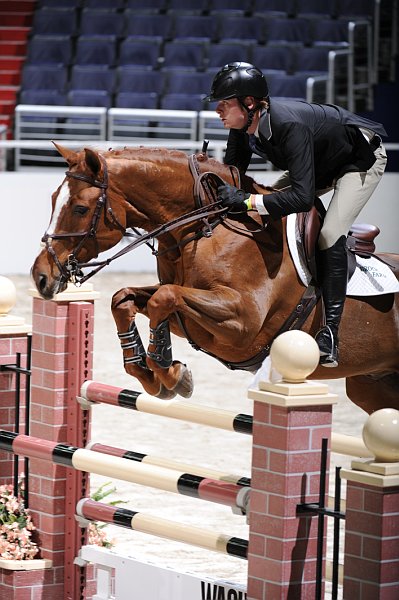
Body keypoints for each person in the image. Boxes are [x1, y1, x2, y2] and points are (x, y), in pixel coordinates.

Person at [205, 61, 387, 367]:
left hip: (359, 160)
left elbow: (302, 198)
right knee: (270, 200)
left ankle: (330, 331)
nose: (218, 111)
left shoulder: (289, 125)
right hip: (321, 161)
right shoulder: (242, 127)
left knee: (329, 234)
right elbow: (233, 176)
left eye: (224, 103)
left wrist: (247, 202)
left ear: (249, 103)